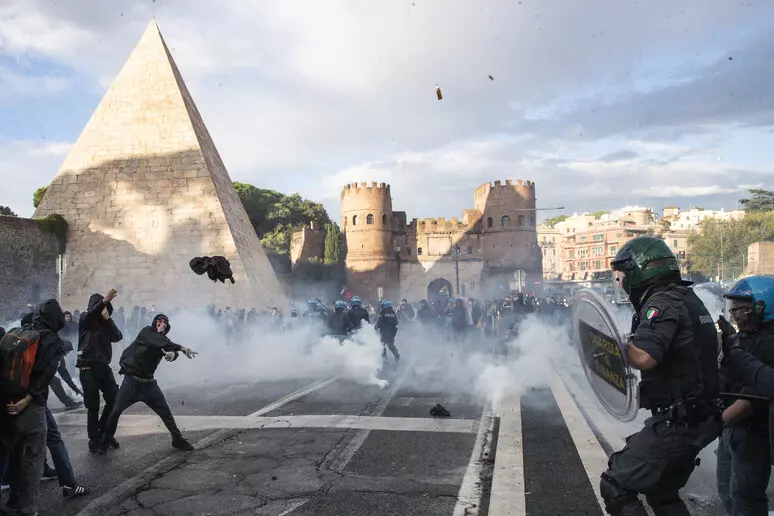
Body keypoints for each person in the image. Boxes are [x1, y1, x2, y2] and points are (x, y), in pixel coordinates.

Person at [599, 236, 721, 516]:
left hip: (677, 423)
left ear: (641, 270)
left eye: (625, 274)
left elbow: (644, 357)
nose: (622, 282)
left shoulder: (662, 302)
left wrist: (619, 344)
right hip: (696, 418)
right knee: (662, 493)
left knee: (616, 484)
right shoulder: (687, 297)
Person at [0, 299, 67, 516]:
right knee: (33, 457)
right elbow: (45, 377)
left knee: (10, 454)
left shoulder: (18, 332)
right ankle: (27, 507)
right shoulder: (53, 341)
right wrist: (25, 401)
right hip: (31, 407)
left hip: (5, 403)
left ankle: (12, 500)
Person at [98, 314, 196, 454]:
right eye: (159, 321)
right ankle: (104, 442)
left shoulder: (164, 341)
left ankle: (177, 439)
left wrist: (173, 354)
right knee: (115, 411)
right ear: (154, 323)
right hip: (131, 382)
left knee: (165, 413)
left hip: (149, 384)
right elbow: (158, 341)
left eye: (164, 323)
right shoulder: (147, 332)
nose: (162, 324)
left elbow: (168, 348)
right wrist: (180, 347)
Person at [718, 276, 774, 515]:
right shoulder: (741, 337)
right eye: (734, 308)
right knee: (727, 492)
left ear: (762, 306)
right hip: (731, 428)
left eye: (742, 308)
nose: (735, 313)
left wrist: (719, 420)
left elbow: (758, 391)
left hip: (753, 432)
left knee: (746, 497)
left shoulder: (769, 342)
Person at [77, 288, 123, 452]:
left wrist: (108, 319)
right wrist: (102, 302)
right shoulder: (85, 319)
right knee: (93, 406)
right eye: (100, 305)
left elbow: (118, 336)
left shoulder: (106, 323)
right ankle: (94, 439)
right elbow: (90, 314)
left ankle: (104, 432)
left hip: (103, 366)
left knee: (114, 399)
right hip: (87, 366)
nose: (102, 308)